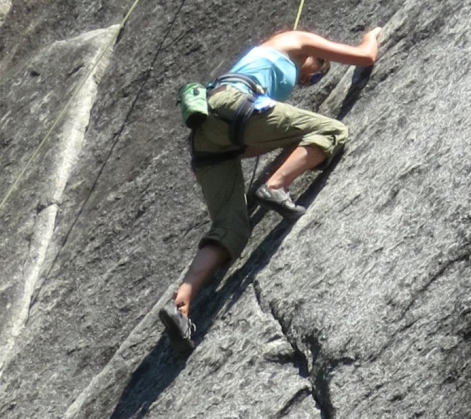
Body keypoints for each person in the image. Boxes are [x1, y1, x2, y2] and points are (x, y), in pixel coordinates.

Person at [159, 23, 383, 352]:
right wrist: (372, 36)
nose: (309, 81)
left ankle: (181, 305)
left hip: (207, 137)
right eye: (318, 72)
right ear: (312, 56)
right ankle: (276, 186)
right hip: (235, 105)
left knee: (231, 227)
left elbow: (250, 143)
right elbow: (364, 58)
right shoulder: (296, 40)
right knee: (333, 131)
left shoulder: (263, 62)